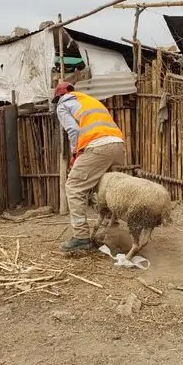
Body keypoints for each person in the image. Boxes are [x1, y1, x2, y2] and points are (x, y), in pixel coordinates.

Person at [52, 82, 126, 252]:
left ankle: (81, 237)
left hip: (98, 146)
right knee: (104, 189)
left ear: (58, 97)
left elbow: (74, 131)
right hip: (118, 146)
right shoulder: (90, 100)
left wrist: (75, 154)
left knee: (74, 187)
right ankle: (112, 231)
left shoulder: (63, 104)